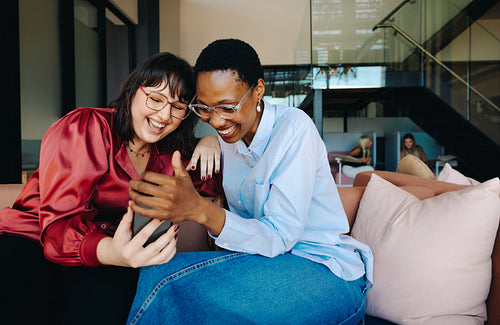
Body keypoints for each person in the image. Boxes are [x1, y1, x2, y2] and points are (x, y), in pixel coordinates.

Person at [126, 39, 373, 324]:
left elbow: (280, 236)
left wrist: (200, 211)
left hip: (324, 270)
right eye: (205, 108)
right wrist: (207, 142)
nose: (216, 122)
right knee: (156, 272)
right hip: (263, 262)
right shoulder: (229, 135)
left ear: (258, 91)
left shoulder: (294, 130)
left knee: (170, 289)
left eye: (227, 107)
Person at [0, 52, 223, 325]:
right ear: (132, 92)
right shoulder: (86, 127)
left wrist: (210, 140)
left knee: (112, 303)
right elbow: (57, 231)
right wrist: (115, 253)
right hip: (32, 238)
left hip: (106, 255)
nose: (164, 115)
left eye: (178, 107)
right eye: (155, 99)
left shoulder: (169, 155)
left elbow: (210, 186)